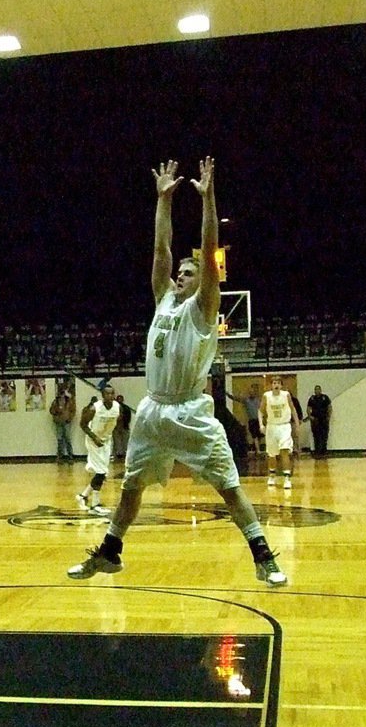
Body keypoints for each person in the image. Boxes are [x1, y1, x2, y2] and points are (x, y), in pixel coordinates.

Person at [66, 157, 287, 587]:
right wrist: (164, 200)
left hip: (190, 412)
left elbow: (206, 253)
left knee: (228, 486)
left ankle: (263, 556)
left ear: (201, 279)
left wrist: (208, 200)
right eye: (179, 273)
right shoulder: (163, 300)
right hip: (153, 410)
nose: (181, 276)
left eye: (190, 273)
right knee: (131, 489)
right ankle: (110, 553)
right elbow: (161, 250)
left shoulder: (204, 309)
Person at [77, 383, 120, 516]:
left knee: (103, 473)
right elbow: (83, 425)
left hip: (106, 441)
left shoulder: (118, 407)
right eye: (107, 393)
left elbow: (117, 424)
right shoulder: (94, 408)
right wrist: (94, 437)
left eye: (112, 393)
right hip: (93, 440)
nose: (110, 396)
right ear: (102, 395)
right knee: (101, 472)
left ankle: (83, 496)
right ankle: (95, 504)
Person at [260, 375, 298, 490]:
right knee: (272, 454)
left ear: (281, 385)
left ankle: (287, 477)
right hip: (271, 426)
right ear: (271, 385)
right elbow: (260, 411)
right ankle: (272, 475)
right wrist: (261, 424)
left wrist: (296, 424)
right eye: (274, 383)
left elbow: (293, 409)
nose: (276, 385)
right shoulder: (266, 396)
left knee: (284, 451)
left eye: (278, 383)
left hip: (284, 426)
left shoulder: (286, 395)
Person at [226, 382, 263, 454]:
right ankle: (258, 450)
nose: (251, 393)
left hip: (258, 420)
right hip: (252, 420)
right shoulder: (247, 400)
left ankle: (257, 448)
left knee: (259, 435)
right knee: (254, 435)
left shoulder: (258, 400)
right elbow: (236, 398)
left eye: (253, 391)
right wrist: (228, 395)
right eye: (250, 392)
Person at [49, 386, 76, 462]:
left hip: (67, 422)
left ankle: (70, 456)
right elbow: (51, 411)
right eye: (61, 394)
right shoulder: (55, 402)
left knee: (67, 439)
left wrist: (70, 418)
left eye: (63, 393)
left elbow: (73, 410)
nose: (62, 395)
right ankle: (60, 456)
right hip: (58, 422)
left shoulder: (69, 401)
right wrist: (56, 412)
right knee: (60, 439)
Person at [307, 384, 332, 457]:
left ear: (320, 390)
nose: (317, 391)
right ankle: (317, 452)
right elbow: (308, 408)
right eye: (316, 389)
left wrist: (328, 416)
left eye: (318, 389)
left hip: (324, 419)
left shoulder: (325, 397)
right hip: (315, 420)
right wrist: (310, 416)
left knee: (324, 435)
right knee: (316, 435)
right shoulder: (312, 398)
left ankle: (324, 451)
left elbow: (329, 407)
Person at [112, 394, 132, 460]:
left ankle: (122, 455)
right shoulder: (115, 408)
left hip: (122, 427)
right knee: (119, 442)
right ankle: (120, 455)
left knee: (122, 442)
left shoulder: (125, 408)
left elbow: (128, 418)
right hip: (118, 427)